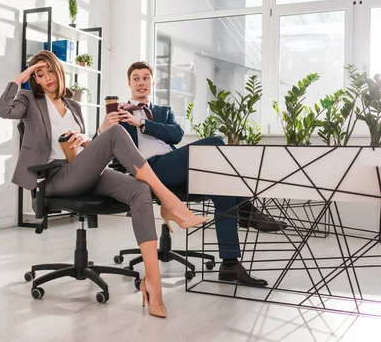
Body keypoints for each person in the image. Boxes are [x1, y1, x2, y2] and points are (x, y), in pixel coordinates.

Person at [0, 51, 211, 318]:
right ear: (34, 78)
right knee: (115, 131)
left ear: (59, 72)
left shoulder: (74, 106)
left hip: (80, 168)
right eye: (39, 74)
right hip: (55, 177)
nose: (46, 78)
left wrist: (85, 139)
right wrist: (23, 77)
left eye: (50, 71)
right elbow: (3, 110)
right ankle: (170, 202)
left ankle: (153, 284)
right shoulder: (29, 99)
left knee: (138, 189)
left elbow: (84, 147)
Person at [98, 61, 288, 288]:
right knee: (216, 142)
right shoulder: (117, 113)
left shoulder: (163, 111)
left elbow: (176, 135)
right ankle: (248, 210)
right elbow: (97, 148)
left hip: (175, 168)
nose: (141, 82)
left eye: (145, 77)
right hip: (149, 171)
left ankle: (230, 266)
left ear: (152, 82)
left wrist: (143, 123)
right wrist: (103, 129)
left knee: (223, 191)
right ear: (129, 83)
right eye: (136, 78)